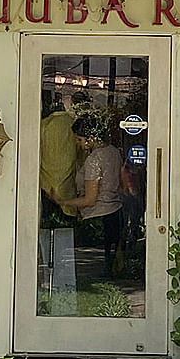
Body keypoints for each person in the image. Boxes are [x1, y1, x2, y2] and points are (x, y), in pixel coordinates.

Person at [53, 111, 123, 274]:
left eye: (79, 139)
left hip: (97, 217)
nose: (78, 144)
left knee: (93, 273)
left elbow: (90, 199)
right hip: (115, 213)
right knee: (109, 269)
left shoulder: (94, 160)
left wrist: (63, 201)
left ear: (91, 137)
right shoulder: (113, 152)